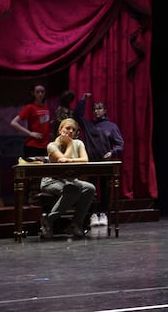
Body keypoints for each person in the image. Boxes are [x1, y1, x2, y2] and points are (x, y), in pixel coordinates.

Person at [39, 117, 96, 238]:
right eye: (67, 128)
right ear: (60, 130)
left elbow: (84, 160)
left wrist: (70, 157)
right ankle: (48, 220)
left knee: (90, 188)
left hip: (70, 180)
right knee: (73, 189)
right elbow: (62, 162)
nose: (70, 131)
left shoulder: (79, 143)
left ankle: (75, 224)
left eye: (73, 130)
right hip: (52, 181)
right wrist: (69, 144)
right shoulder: (52, 145)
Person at [76, 97, 124, 228]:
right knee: (91, 189)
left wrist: (112, 152)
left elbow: (120, 144)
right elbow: (77, 115)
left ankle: (104, 214)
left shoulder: (111, 126)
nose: (97, 111)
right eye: (94, 109)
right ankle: (92, 214)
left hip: (105, 163)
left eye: (99, 108)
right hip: (91, 163)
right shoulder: (89, 124)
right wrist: (83, 100)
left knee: (105, 189)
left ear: (105, 110)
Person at [9, 83, 51, 158]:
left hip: (45, 146)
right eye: (37, 92)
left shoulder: (46, 107)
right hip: (33, 146)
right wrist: (30, 133)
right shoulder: (30, 107)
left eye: (42, 92)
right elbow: (13, 123)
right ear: (33, 93)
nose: (40, 94)